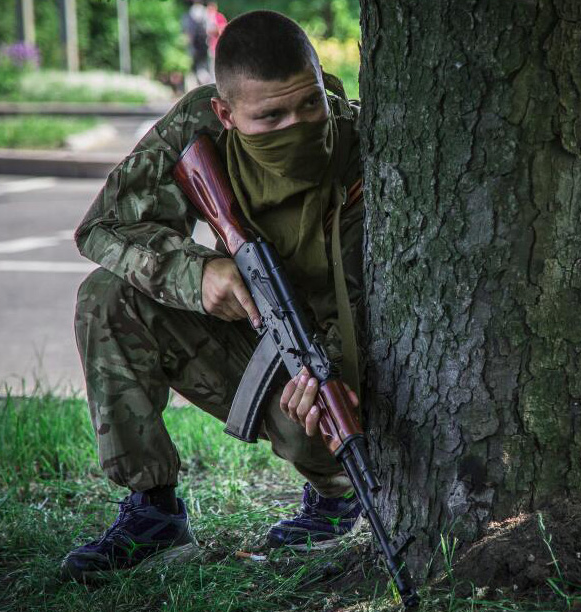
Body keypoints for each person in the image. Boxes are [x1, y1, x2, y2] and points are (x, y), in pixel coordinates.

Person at [61, 10, 366, 581]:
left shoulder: (361, 148)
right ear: (226, 114)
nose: (295, 125)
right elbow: (101, 228)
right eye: (269, 116)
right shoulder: (200, 128)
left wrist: (340, 370)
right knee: (106, 296)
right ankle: (153, 512)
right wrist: (198, 274)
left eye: (309, 105)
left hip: (347, 356)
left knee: (317, 423)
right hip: (254, 330)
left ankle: (337, 496)